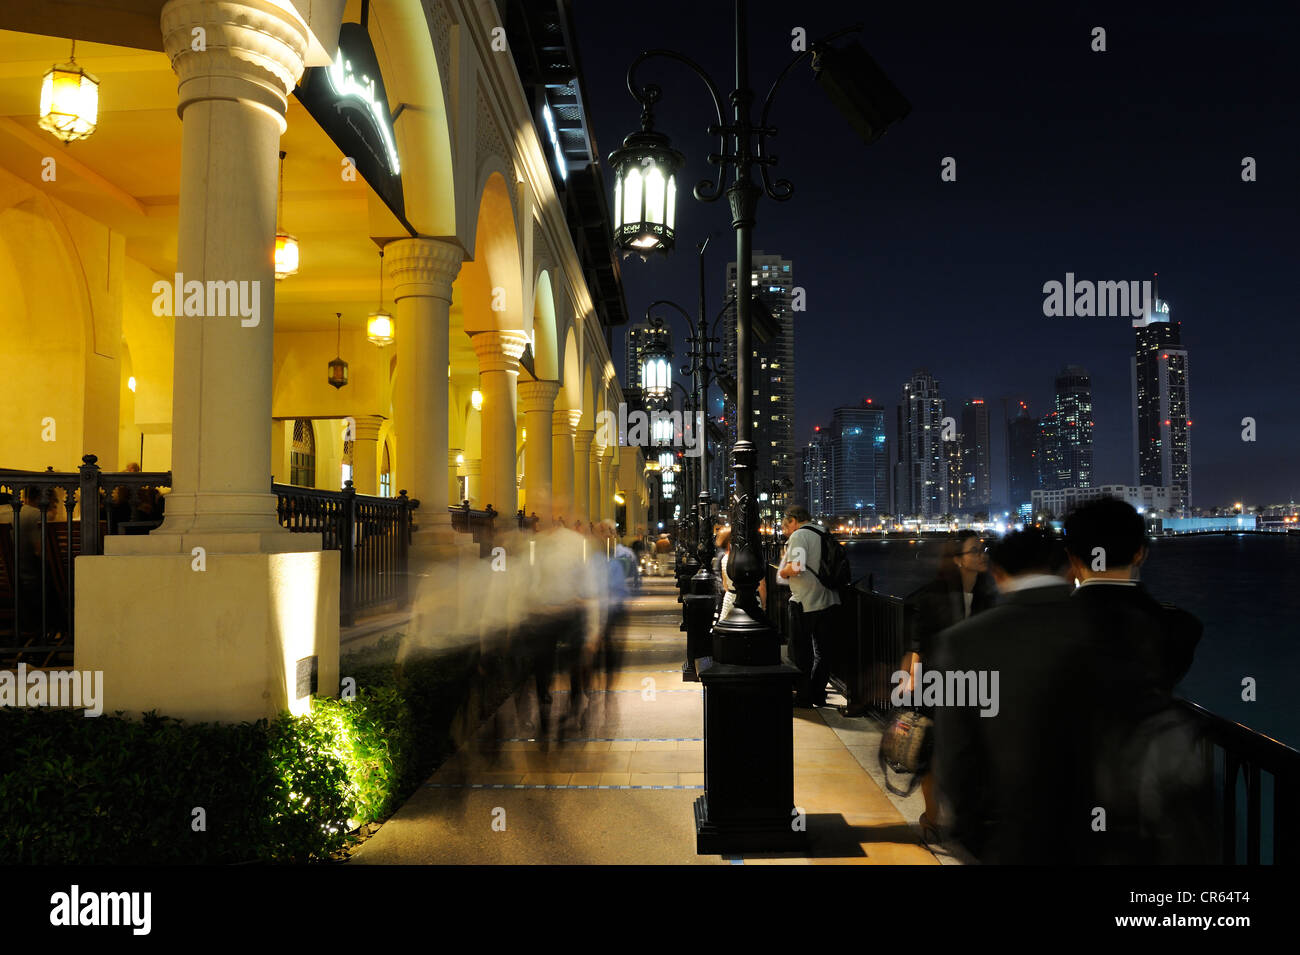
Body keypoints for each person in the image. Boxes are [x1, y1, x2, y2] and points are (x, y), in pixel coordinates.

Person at [931, 527, 1093, 863]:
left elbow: (954, 750)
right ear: (1068, 569)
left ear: (998, 573)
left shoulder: (963, 642)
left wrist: (968, 831)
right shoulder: (1108, 629)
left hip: (1010, 833)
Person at [1063, 497, 1207, 864]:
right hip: (1147, 808)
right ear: (1141, 553)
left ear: (1073, 557)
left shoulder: (1041, 627)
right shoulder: (1179, 628)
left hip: (1058, 802)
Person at [900, 530, 995, 835]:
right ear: (957, 559)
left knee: (971, 750)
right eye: (974, 551)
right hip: (938, 682)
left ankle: (967, 813)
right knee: (934, 750)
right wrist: (912, 680)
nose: (982, 555)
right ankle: (933, 816)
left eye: (983, 549)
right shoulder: (932, 596)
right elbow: (918, 643)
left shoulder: (989, 597)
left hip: (977, 683)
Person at [777, 504, 840, 707]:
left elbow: (796, 567)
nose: (786, 532)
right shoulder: (823, 532)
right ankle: (817, 693)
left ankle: (804, 696)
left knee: (800, 653)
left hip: (805, 602)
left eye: (785, 528)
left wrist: (782, 571)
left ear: (793, 520)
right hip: (829, 599)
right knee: (824, 653)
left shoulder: (799, 536)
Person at [713, 524, 766, 623]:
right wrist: (764, 605)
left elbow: (725, 585)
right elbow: (761, 585)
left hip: (729, 598)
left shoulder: (724, 558)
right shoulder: (751, 559)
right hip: (750, 600)